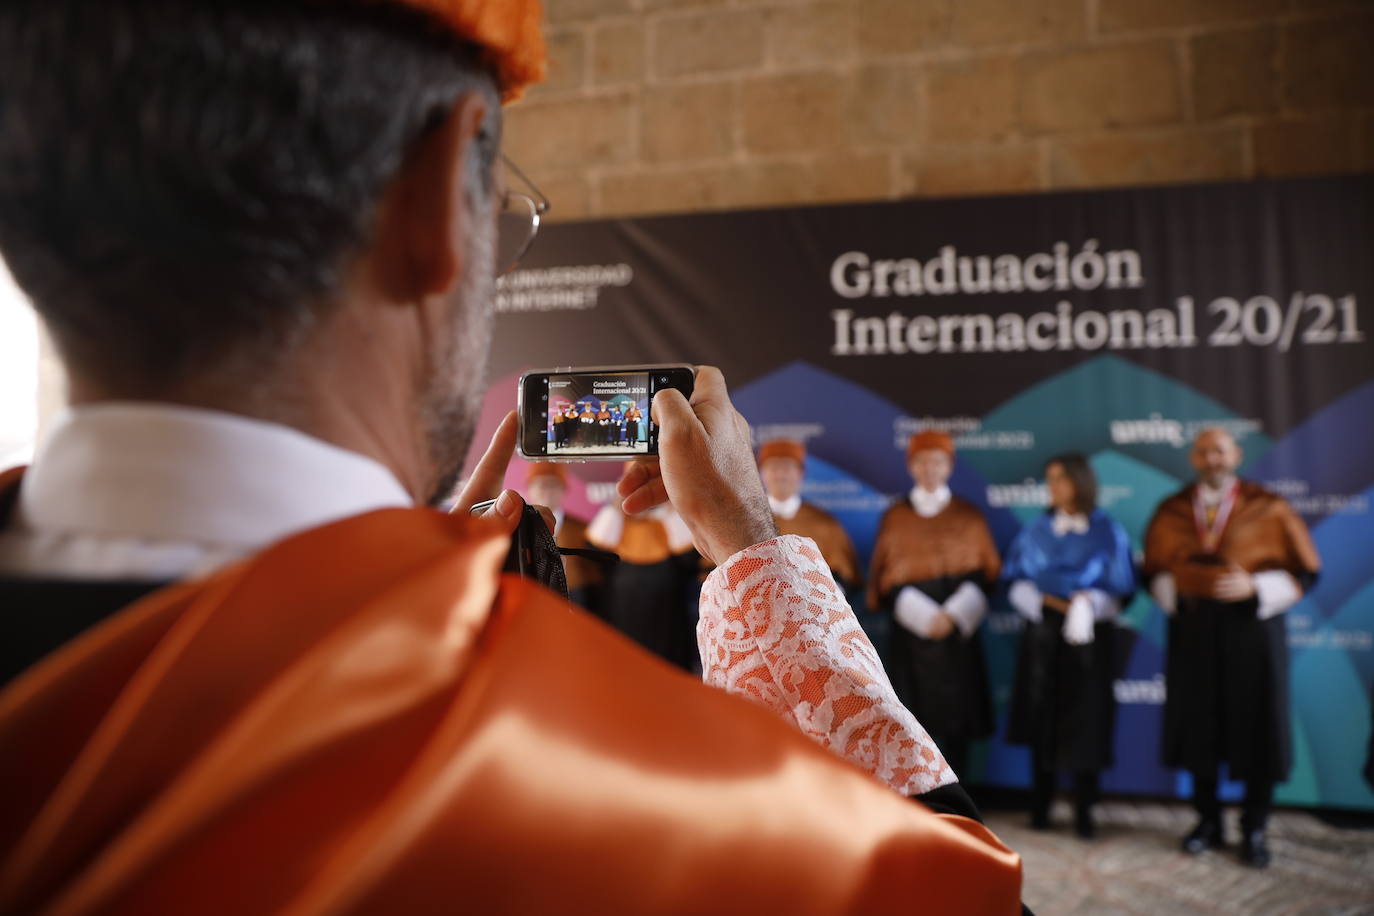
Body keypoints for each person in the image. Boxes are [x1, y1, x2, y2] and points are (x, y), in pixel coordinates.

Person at [0, 2, 1023, 910]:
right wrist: (753, 551)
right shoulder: (651, 796)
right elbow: (952, 890)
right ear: (440, 191)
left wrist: (403, 578)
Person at [1143, 427, 1320, 868]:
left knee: (1257, 728)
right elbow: (1152, 569)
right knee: (1200, 728)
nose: (1212, 459)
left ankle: (1255, 827)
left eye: (1219, 451)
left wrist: (1254, 586)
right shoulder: (1171, 508)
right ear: (1193, 458)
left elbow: (1307, 571)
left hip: (1252, 633)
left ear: (1236, 455)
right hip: (1194, 632)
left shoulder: (1269, 506)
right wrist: (1174, 591)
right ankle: (1208, 822)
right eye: (1203, 452)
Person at [1003, 453, 1135, 839]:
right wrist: (1047, 602)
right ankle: (1040, 808)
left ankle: (1085, 812)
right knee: (1041, 717)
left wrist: (1086, 604)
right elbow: (1017, 583)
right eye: (1050, 479)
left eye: (1061, 478)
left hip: (1089, 640)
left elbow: (1122, 590)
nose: (1054, 487)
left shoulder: (1108, 531)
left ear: (1080, 481)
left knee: (1087, 722)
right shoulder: (1037, 529)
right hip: (1043, 637)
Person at [867, 431, 1000, 779]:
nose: (929, 469)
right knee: (911, 717)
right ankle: (920, 797)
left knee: (959, 719)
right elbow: (885, 579)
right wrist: (921, 616)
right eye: (922, 461)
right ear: (911, 466)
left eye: (937, 461)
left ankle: (961, 797)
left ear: (949, 467)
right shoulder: (895, 517)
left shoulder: (969, 517)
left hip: (957, 631)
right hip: (910, 635)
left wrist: (952, 615)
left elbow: (986, 574)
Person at [586, 468, 700, 670]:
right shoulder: (619, 521)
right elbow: (595, 549)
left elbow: (688, 556)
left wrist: (668, 505)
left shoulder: (669, 517)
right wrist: (618, 505)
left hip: (667, 616)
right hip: (623, 613)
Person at [756, 439, 860, 589]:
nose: (780, 474)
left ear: (800, 473)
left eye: (787, 468)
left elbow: (842, 575)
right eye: (773, 467)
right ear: (762, 473)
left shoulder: (823, 523)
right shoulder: (746, 520)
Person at [522, 462, 606, 616]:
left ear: (564, 490)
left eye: (553, 484)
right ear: (529, 489)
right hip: (531, 601)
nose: (547, 491)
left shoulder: (583, 530)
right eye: (541, 484)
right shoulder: (519, 530)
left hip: (577, 603)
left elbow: (595, 577)